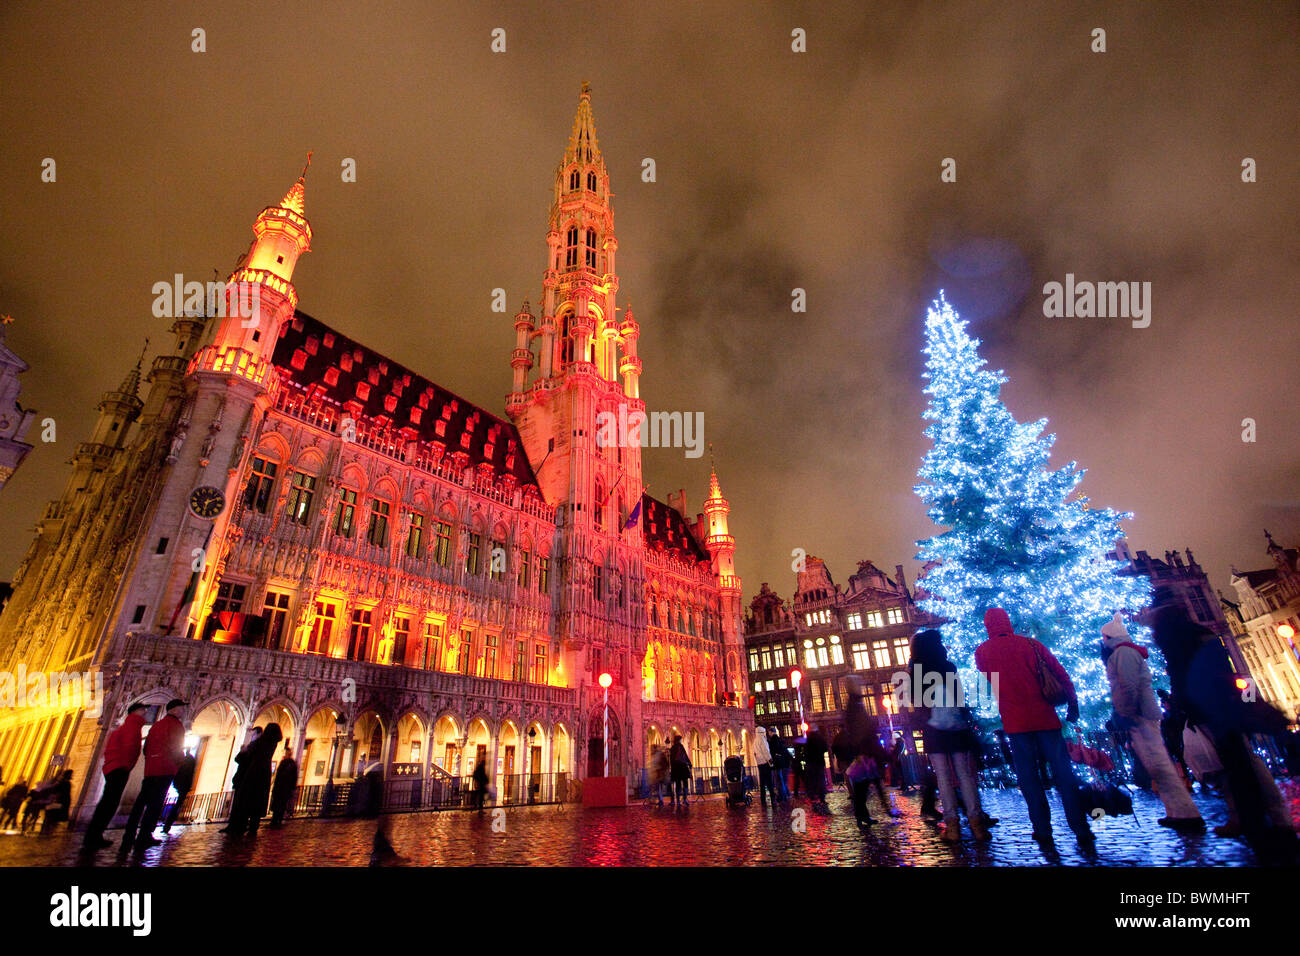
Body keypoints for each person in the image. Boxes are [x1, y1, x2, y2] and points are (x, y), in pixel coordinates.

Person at [1153, 597, 1298, 863]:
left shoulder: (1180, 640)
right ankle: (1262, 819)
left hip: (1214, 709)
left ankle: (1266, 821)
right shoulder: (1199, 635)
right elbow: (1232, 672)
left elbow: (1198, 676)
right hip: (1219, 707)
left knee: (1242, 764)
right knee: (1240, 763)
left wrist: (1185, 705)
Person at [975, 608, 1094, 850]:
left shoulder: (982, 652)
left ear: (988, 626)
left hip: (1015, 723)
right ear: (1008, 622)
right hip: (1045, 718)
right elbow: (1061, 673)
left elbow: (987, 683)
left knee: (1029, 778)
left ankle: (1042, 829)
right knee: (1064, 774)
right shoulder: (1031, 645)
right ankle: (1080, 827)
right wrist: (1072, 703)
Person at [1100, 613, 1204, 831]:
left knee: (1160, 765)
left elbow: (1128, 686)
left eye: (1104, 637)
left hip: (1139, 715)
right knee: (1157, 766)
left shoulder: (1124, 654)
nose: (1103, 641)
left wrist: (1125, 713)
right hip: (1141, 713)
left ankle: (1186, 813)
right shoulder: (1125, 652)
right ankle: (1176, 811)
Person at [910, 629, 991, 842]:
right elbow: (961, 695)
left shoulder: (917, 668)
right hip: (956, 726)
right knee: (965, 775)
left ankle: (953, 826)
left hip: (934, 728)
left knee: (943, 778)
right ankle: (977, 825)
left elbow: (916, 700)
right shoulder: (948, 666)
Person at [122, 699, 187, 850]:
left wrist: (152, 760)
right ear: (175, 709)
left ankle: (129, 834)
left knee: (141, 803)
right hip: (165, 769)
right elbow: (177, 747)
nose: (183, 711)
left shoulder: (157, 724)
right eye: (182, 708)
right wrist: (179, 762)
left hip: (151, 769)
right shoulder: (176, 726)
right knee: (155, 804)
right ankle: (145, 835)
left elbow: (146, 748)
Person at [83, 703, 148, 849]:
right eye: (142, 710)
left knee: (107, 803)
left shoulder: (128, 726)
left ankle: (94, 835)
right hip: (120, 768)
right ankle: (94, 836)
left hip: (116, 767)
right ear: (135, 711)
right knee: (109, 804)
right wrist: (125, 766)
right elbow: (130, 747)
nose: (145, 712)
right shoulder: (132, 726)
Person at [227, 722, 283, 836]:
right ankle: (253, 827)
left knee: (246, 800)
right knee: (257, 802)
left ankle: (239, 826)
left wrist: (243, 751)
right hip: (263, 774)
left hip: (252, 774)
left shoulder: (259, 743)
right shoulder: (272, 743)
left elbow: (243, 757)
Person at [221, 725, 263, 833]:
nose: (252, 737)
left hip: (246, 779)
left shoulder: (256, 746)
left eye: (253, 734)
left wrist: (243, 752)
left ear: (258, 734)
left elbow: (242, 760)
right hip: (242, 779)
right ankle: (234, 825)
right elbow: (238, 759)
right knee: (237, 804)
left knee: (241, 805)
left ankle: (238, 826)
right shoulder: (252, 745)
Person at [161, 750, 197, 834]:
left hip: (179, 783)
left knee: (176, 804)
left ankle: (167, 823)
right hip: (183, 784)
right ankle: (168, 823)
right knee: (178, 804)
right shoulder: (190, 763)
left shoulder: (183, 762)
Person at [270, 743, 299, 827]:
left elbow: (291, 777)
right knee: (278, 805)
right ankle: (275, 820)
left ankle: (277, 820)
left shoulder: (290, 764)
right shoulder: (285, 763)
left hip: (284, 788)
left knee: (280, 805)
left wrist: (291, 788)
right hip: (280, 788)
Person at [804, 726, 829, 807]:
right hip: (819, 762)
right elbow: (825, 748)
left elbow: (805, 751)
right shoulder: (820, 738)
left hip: (811, 763)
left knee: (812, 780)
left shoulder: (808, 740)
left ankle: (813, 796)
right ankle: (822, 797)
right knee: (821, 779)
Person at [752, 729, 776, 807]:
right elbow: (766, 751)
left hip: (759, 764)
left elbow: (754, 753)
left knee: (762, 783)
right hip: (765, 763)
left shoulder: (755, 740)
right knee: (769, 782)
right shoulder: (762, 740)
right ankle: (773, 800)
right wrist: (770, 761)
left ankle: (763, 800)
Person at [668, 735, 692, 806]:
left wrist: (672, 768)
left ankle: (678, 800)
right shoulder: (680, 747)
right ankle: (684, 799)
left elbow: (671, 760)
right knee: (685, 784)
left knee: (677, 785)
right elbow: (685, 756)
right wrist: (689, 763)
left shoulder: (672, 748)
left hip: (675, 769)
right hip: (682, 768)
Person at [768, 731, 790, 802]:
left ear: (771, 732)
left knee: (779, 781)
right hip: (784, 764)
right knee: (784, 781)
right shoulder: (780, 741)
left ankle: (782, 796)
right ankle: (786, 794)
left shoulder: (773, 741)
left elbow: (772, 752)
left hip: (778, 764)